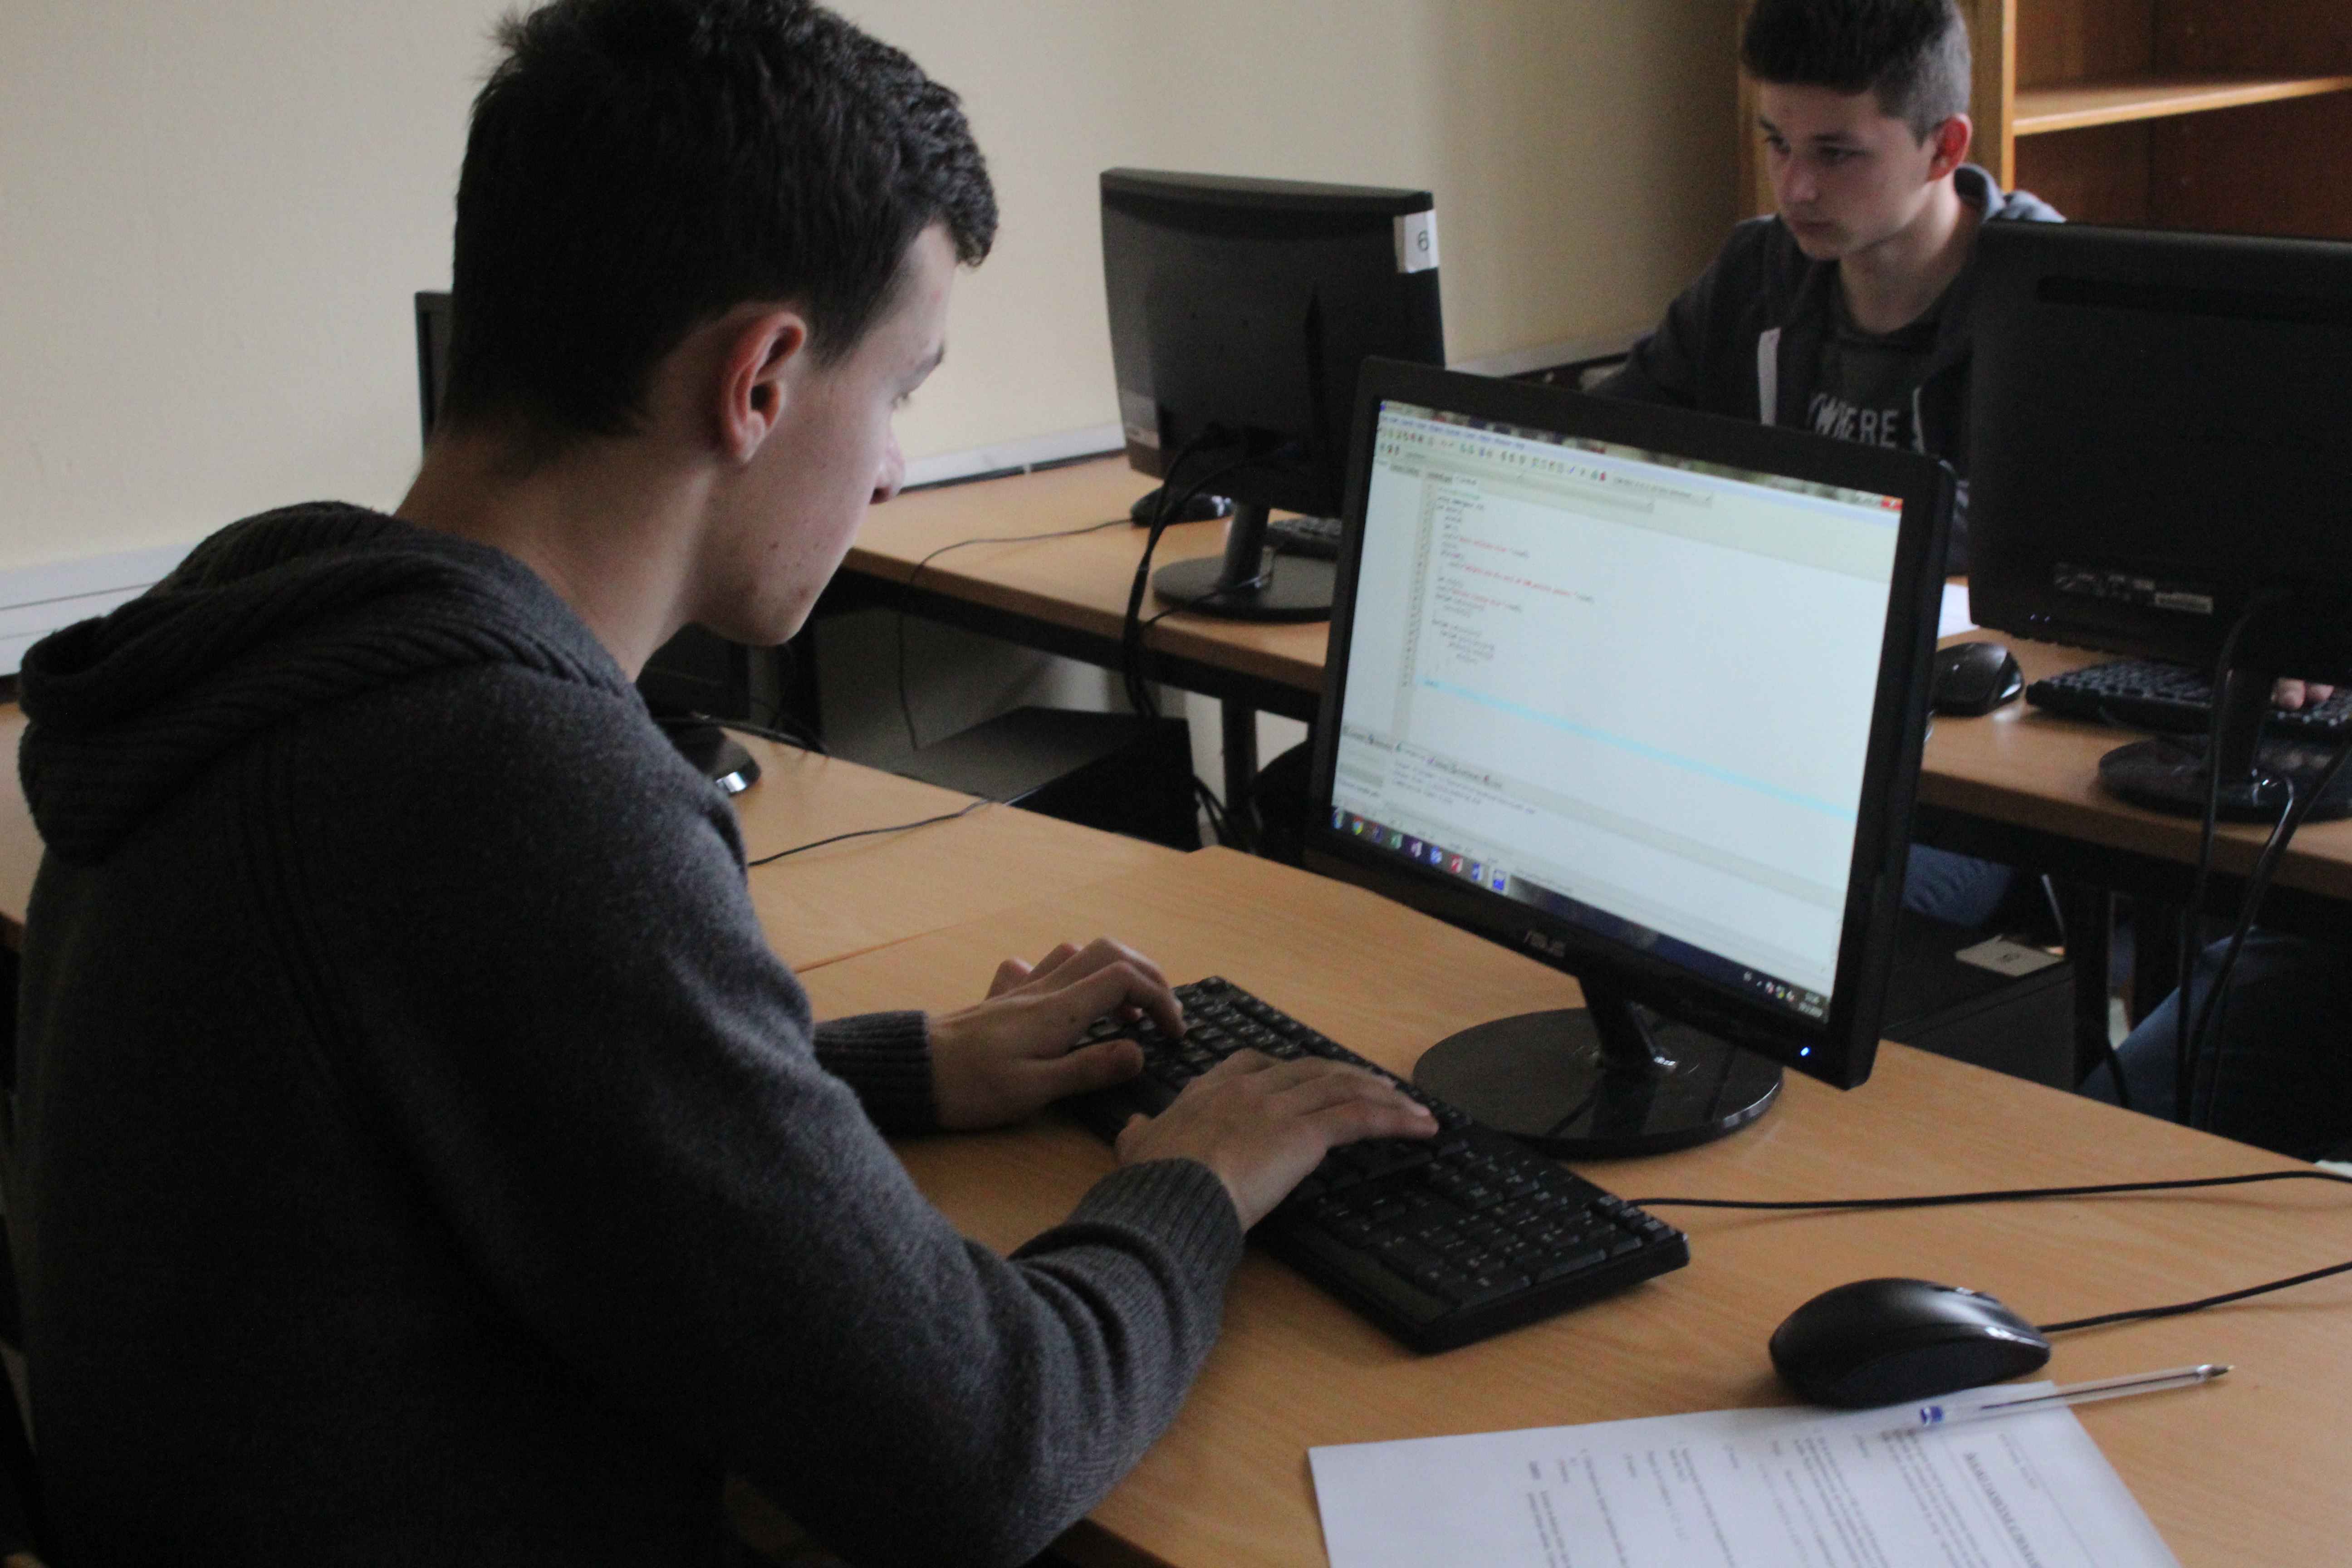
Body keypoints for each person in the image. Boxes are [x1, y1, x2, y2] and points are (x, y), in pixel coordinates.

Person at [1, 1, 1435, 1561]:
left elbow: (522, 1093)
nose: (891, 465)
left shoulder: (278, 639)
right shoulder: (511, 790)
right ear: (758, 380)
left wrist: (895, 1064)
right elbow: (984, 1449)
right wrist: (1194, 1180)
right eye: (898, 391)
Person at [1598, 0, 2060, 930]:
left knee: (1769, 911)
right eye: (1777, 143)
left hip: (1962, 772)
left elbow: (2046, 547)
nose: (1795, 188)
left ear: (1943, 148)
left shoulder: (2050, 302)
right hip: (1762, 724)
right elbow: (1606, 440)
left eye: (1837, 153)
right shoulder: (1757, 272)